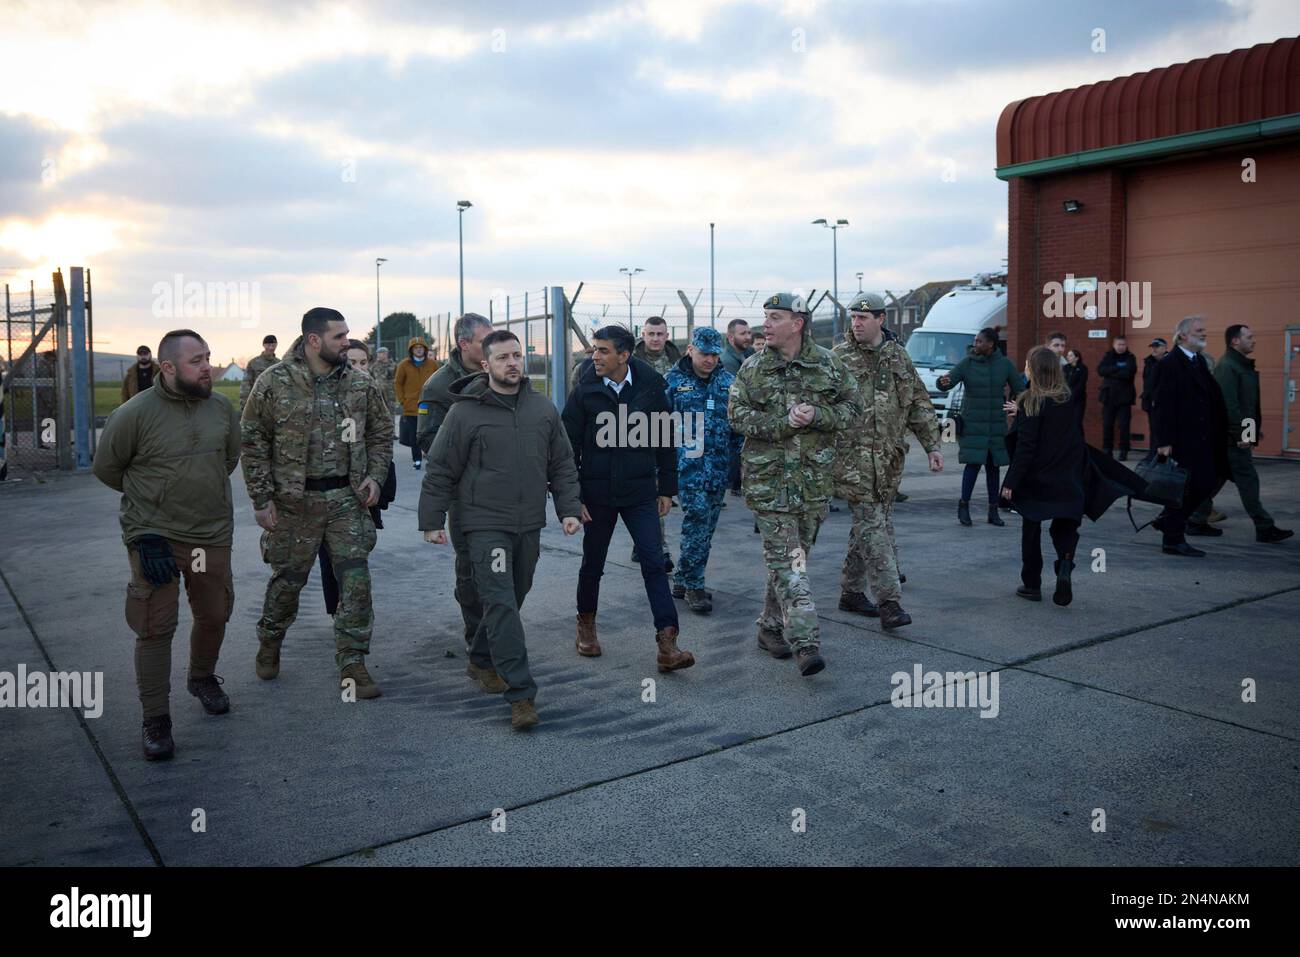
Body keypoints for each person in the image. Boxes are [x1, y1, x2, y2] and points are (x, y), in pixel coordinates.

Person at [420, 330, 583, 730]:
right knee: (501, 603)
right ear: (485, 364)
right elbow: (440, 467)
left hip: (528, 523)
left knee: (515, 594)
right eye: (502, 358)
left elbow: (561, 463)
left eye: (516, 356)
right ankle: (522, 695)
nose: (512, 363)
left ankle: (480, 659)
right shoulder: (465, 413)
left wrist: (568, 509)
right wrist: (431, 520)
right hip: (483, 523)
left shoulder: (542, 409)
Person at [92, 329, 240, 761]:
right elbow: (108, 469)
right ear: (169, 367)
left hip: (210, 534)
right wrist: (148, 516)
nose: (207, 366)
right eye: (197, 360)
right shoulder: (134, 414)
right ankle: (156, 718)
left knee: (215, 614)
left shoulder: (222, 408)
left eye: (208, 357)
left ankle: (202, 677)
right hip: (155, 538)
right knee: (155, 627)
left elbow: (227, 460)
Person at [242, 307, 394, 695]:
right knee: (288, 582)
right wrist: (261, 498)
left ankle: (353, 662)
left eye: (347, 335)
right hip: (295, 502)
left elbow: (380, 432)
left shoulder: (359, 384)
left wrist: (375, 476)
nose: (347, 342)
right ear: (314, 340)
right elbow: (253, 440)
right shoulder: (274, 382)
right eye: (338, 336)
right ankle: (271, 640)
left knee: (356, 580)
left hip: (347, 497)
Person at [729, 292, 861, 676]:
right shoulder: (752, 369)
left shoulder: (829, 365)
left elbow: (853, 410)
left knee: (793, 561)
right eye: (765, 317)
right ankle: (806, 642)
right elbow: (736, 416)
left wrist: (818, 414)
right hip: (770, 485)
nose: (765, 324)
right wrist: (783, 423)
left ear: (797, 323)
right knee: (790, 562)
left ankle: (770, 627)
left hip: (813, 483)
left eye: (774, 317)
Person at [562, 324, 694, 672]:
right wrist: (573, 496)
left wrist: (666, 488)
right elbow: (565, 447)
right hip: (597, 494)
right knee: (593, 564)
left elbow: (666, 439)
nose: (595, 356)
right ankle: (586, 625)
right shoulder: (585, 390)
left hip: (639, 493)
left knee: (654, 562)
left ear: (624, 355)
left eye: (603, 350)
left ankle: (668, 641)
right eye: (594, 349)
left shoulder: (651, 388)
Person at [833, 293, 942, 630]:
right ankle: (890, 602)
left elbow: (918, 402)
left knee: (867, 526)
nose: (856, 323)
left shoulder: (898, 356)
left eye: (863, 318)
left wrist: (933, 446)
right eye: (853, 317)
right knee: (874, 525)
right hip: (853, 462)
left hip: (889, 462)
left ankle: (851, 592)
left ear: (881, 319)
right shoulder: (839, 358)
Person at [415, 312, 492, 644]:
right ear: (464, 344)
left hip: (503, 491)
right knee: (472, 569)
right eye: (483, 342)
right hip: (466, 493)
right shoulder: (440, 385)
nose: (492, 348)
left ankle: (498, 631)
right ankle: (478, 640)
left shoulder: (500, 374)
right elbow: (428, 439)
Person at [1185, 324, 1292, 543]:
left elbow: (1247, 406)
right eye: (1249, 337)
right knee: (1248, 479)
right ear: (1235, 341)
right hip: (1232, 439)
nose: (1254, 341)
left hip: (1235, 436)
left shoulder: (1240, 365)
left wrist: (1252, 432)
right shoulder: (1228, 367)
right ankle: (1264, 526)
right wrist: (1243, 434)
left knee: (1214, 479)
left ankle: (1195, 520)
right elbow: (1230, 406)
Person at [664, 327, 742, 614]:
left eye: (714, 354)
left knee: (705, 529)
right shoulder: (672, 381)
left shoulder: (728, 382)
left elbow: (737, 425)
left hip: (719, 468)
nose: (709, 359)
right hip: (687, 468)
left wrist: (739, 461)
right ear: (690, 350)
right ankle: (695, 587)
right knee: (696, 522)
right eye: (703, 353)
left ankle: (683, 578)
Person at [318, 340, 398, 616]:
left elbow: (382, 437)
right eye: (352, 363)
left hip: (366, 487)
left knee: (359, 548)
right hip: (332, 489)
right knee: (331, 552)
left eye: (364, 363)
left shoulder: (372, 392)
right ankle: (339, 607)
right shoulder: (327, 395)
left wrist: (377, 477)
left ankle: (350, 606)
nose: (359, 368)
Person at [1001, 346, 1086, 606]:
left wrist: (1010, 482)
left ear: (1035, 370)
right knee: (1066, 526)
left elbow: (1026, 447)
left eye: (1028, 364)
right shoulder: (1067, 398)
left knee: (1032, 529)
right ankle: (1065, 565)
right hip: (1068, 474)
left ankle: (1031, 584)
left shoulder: (1031, 400)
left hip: (1037, 477)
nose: (1025, 367)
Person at [1149, 315, 1229, 556]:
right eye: (1199, 330)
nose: (1205, 333)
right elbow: (1161, 404)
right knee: (1188, 487)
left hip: (1202, 438)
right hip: (1181, 440)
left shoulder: (1199, 362)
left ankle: (1168, 521)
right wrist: (1163, 442)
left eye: (1204, 330)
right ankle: (1172, 538)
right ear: (1183, 335)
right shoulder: (1170, 363)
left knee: (1205, 482)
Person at [936, 327, 1024, 528]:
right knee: (972, 466)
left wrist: (1016, 405)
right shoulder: (967, 363)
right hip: (973, 424)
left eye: (979, 341)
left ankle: (993, 511)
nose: (975, 345)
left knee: (994, 468)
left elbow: (1020, 390)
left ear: (990, 344)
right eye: (975, 341)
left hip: (995, 425)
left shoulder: (1005, 365)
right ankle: (963, 507)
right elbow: (947, 382)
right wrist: (942, 382)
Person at [394, 336, 438, 469]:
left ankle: (431, 457)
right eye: (415, 348)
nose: (418, 350)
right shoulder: (404, 365)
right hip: (411, 406)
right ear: (411, 350)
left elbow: (438, 381)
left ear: (425, 349)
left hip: (429, 404)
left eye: (421, 348)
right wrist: (402, 400)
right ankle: (417, 459)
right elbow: (397, 383)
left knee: (430, 432)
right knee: (414, 435)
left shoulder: (432, 364)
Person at [723, 319, 755, 495]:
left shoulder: (748, 354)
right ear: (730, 337)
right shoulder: (727, 361)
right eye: (743, 334)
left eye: (749, 333)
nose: (748, 337)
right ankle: (735, 483)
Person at [1097, 335, 1137, 460]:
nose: (1121, 347)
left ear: (1126, 345)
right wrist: (1118, 368)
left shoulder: (1130, 358)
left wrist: (1110, 371)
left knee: (1124, 426)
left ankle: (1123, 450)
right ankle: (1107, 449)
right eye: (1119, 344)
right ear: (1114, 345)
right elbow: (1100, 370)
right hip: (1109, 397)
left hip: (1125, 398)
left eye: (1123, 344)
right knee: (1107, 424)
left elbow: (1128, 373)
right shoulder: (1108, 356)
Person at [239, 335, 278, 411]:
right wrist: (244, 405)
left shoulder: (279, 364)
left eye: (273, 345)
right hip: (257, 405)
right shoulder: (254, 363)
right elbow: (246, 385)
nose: (271, 348)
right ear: (263, 345)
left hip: (275, 407)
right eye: (268, 345)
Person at [1140, 337, 1167, 415]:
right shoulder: (1148, 362)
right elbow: (1146, 383)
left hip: (1165, 403)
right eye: (1153, 347)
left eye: (1157, 347)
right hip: (1150, 403)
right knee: (1153, 426)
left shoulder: (1170, 362)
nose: (1154, 349)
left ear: (1164, 348)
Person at [1063, 348, 1088, 429]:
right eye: (1067, 355)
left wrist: (1072, 395)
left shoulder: (1082, 368)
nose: (1067, 357)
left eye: (1070, 355)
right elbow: (1063, 382)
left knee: (1077, 422)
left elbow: (1081, 385)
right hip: (1066, 399)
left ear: (1076, 358)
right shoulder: (1065, 368)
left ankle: (1080, 441)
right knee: (1067, 422)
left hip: (1078, 399)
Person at [372, 346, 397, 412]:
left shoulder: (393, 365)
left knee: (391, 411)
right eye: (378, 354)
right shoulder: (375, 366)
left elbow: (397, 378)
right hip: (378, 392)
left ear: (385, 354)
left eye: (380, 353)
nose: (378, 355)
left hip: (390, 393)